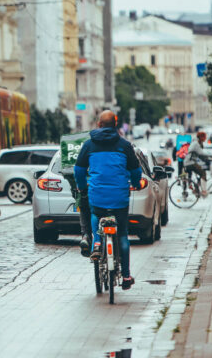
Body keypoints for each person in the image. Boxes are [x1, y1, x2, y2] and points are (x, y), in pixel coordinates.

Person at [74, 110, 142, 290]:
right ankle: (126, 276)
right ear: (116, 124)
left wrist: (82, 187)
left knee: (96, 216)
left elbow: (79, 171)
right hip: (120, 196)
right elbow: (136, 172)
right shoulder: (125, 145)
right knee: (122, 234)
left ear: (98, 124)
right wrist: (135, 183)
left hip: (97, 195)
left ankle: (97, 242)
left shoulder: (89, 145)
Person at [184, 131, 212, 197]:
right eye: (204, 137)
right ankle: (204, 191)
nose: (205, 139)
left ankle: (196, 190)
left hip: (189, 162)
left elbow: (201, 156)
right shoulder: (196, 144)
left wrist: (210, 159)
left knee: (200, 175)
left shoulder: (197, 143)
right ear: (201, 137)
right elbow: (201, 153)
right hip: (190, 163)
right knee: (203, 173)